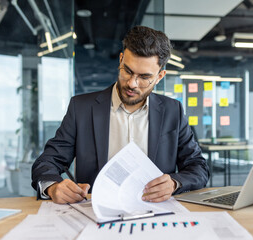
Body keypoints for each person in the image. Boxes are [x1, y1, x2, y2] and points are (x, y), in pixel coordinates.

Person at [31, 26, 209, 204]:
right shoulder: (82, 108)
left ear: (160, 76)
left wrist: (174, 183)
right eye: (128, 71)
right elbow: (47, 162)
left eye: (144, 77)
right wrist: (53, 187)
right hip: (96, 214)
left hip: (155, 215)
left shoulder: (173, 111)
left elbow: (198, 167)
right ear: (121, 59)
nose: (132, 83)